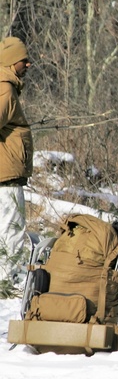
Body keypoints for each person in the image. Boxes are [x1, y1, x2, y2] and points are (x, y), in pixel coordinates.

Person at [0, 36, 34, 284]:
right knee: (11, 229)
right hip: (6, 176)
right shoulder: (4, 88)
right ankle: (6, 281)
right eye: (24, 60)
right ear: (12, 62)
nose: (28, 64)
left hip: (5, 173)